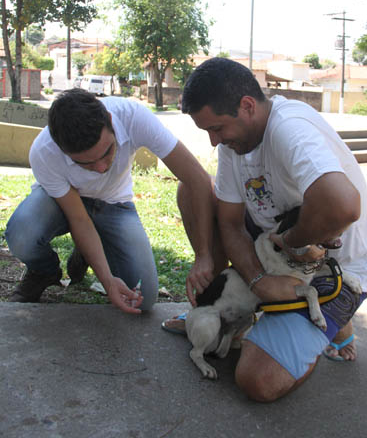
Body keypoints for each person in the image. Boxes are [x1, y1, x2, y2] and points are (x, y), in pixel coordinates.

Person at [162, 57, 367, 402]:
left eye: (216, 129)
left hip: (332, 266)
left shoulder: (290, 128)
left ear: (247, 106)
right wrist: (259, 280)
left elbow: (344, 207)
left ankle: (331, 322)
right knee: (193, 194)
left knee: (257, 381)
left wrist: (289, 244)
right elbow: (230, 223)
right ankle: (220, 311)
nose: (213, 141)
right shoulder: (238, 141)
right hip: (271, 245)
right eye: (207, 131)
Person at [6, 88, 214, 315]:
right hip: (64, 205)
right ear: (59, 147)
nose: (101, 168)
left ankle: (88, 252)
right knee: (22, 234)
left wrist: (203, 254)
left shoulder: (133, 116)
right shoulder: (43, 151)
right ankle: (43, 271)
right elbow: (79, 219)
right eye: (84, 164)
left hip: (115, 205)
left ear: (111, 122)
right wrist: (107, 280)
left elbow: (198, 179)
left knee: (143, 300)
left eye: (107, 152)